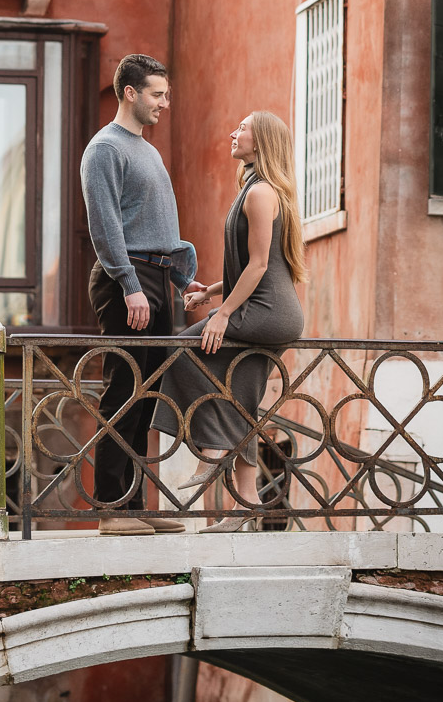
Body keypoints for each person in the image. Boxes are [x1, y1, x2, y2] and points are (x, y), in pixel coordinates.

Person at [152, 110, 305, 533]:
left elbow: (258, 267)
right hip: (269, 310)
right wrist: (211, 293)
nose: (232, 133)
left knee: (183, 351)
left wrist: (223, 315)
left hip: (268, 313)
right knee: (240, 402)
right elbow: (257, 268)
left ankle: (215, 450)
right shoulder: (258, 189)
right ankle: (247, 507)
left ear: (262, 142)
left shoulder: (261, 194)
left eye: (242, 129)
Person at [80, 53, 199, 534]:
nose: (164, 103)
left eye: (165, 94)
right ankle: (111, 509)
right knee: (125, 389)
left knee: (147, 397)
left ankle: (134, 506)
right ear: (130, 92)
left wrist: (182, 280)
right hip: (125, 280)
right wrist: (131, 286)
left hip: (155, 279)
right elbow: (106, 226)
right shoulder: (105, 148)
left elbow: (156, 224)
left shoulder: (146, 149)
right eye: (157, 94)